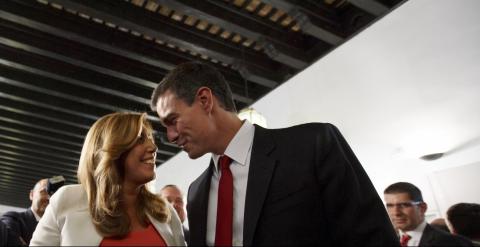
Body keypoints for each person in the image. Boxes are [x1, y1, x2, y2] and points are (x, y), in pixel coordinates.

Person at [150, 61, 399, 246]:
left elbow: (373, 238)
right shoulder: (196, 193)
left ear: (205, 100)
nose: (170, 136)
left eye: (173, 120)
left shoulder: (312, 145)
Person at [30, 112, 185, 246]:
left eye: (151, 138)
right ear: (112, 149)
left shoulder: (165, 211)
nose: (153, 147)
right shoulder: (67, 200)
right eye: (140, 139)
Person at [384, 182, 473, 246]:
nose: (396, 213)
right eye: (390, 206)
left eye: (404, 205)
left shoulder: (455, 243)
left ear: (422, 208)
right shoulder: (383, 242)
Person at [1, 178, 49, 246]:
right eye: (44, 192)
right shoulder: (13, 219)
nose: (49, 198)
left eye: (54, 195)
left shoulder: (59, 228)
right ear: (32, 195)